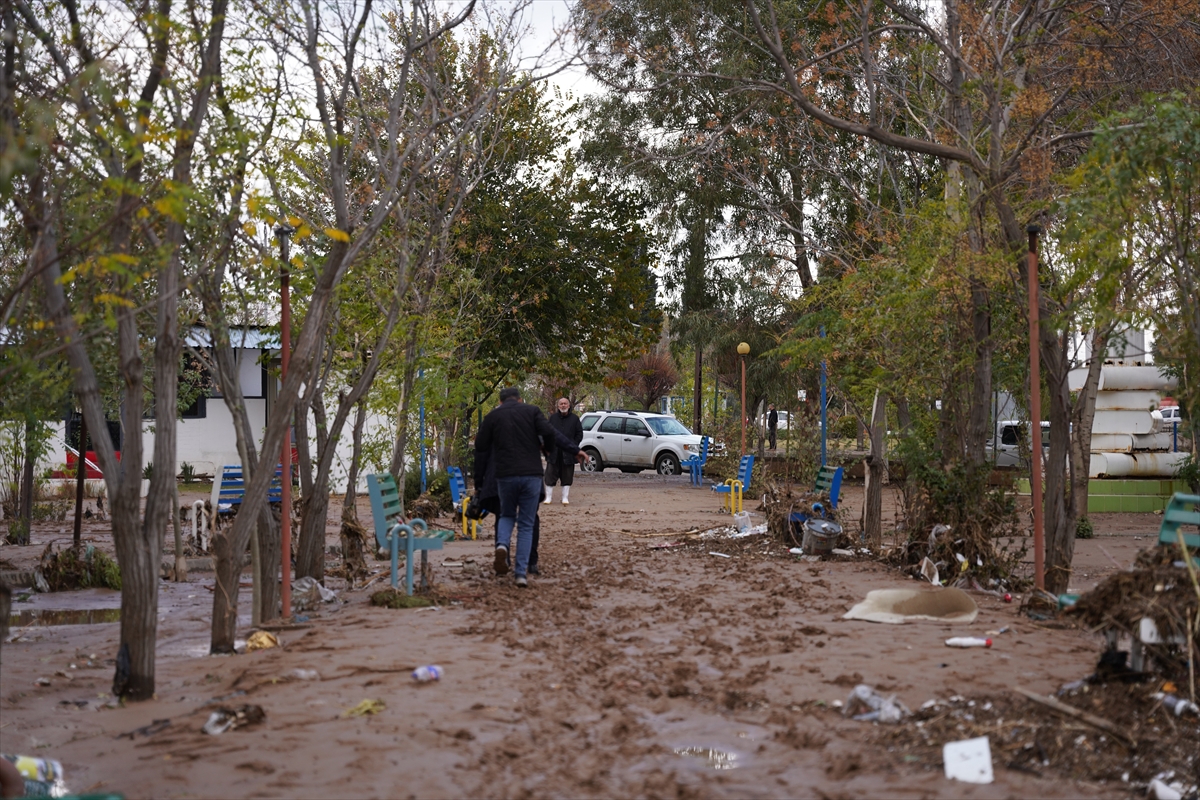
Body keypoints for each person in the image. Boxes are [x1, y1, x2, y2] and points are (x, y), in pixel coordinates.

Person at [474, 387, 585, 587]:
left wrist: (479, 484)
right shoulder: (532, 412)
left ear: (500, 402)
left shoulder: (493, 417)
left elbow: (480, 450)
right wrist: (562, 450)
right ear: (520, 399)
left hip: (504, 476)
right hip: (530, 475)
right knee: (527, 522)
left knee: (506, 515)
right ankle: (522, 573)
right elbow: (551, 434)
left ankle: (502, 547)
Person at [543, 397, 583, 505]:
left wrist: (573, 445)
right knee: (550, 475)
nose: (563, 405)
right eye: (561, 404)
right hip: (554, 452)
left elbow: (579, 434)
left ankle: (565, 498)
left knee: (567, 475)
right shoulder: (552, 418)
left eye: (565, 403)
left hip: (568, 453)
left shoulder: (575, 419)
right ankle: (549, 498)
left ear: (569, 406)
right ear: (558, 406)